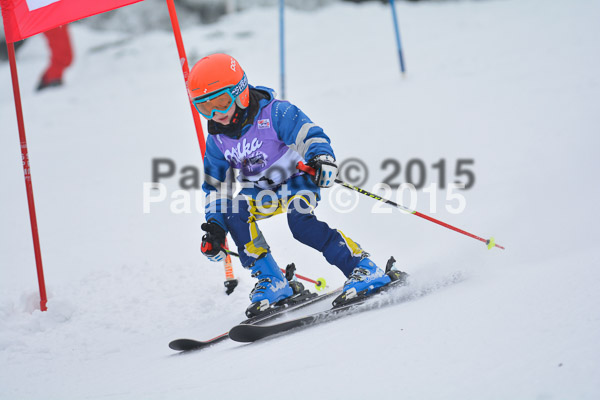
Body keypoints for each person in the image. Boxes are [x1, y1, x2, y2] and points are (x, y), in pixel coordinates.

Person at [192, 53, 401, 316]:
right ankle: (273, 281)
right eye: (204, 107)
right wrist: (215, 227)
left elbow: (308, 134)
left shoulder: (276, 112)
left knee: (301, 224)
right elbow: (216, 187)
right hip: (260, 192)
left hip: (297, 180)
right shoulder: (217, 140)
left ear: (240, 92)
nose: (215, 114)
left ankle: (362, 267)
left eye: (221, 102)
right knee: (234, 212)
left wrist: (321, 159)